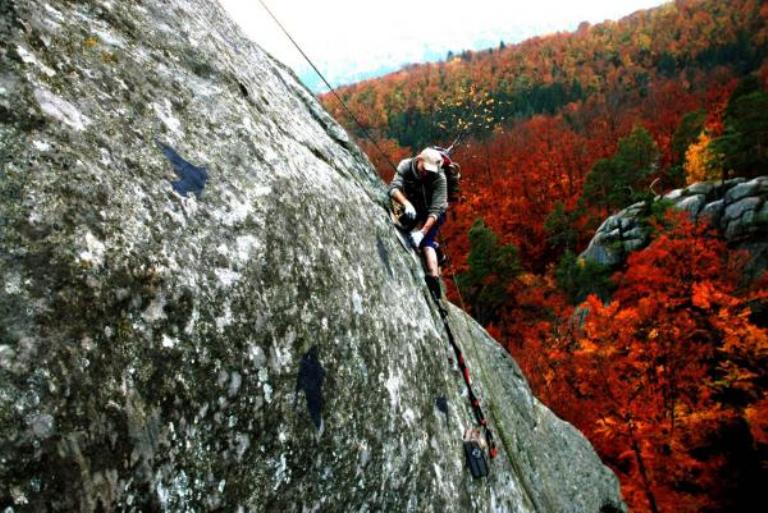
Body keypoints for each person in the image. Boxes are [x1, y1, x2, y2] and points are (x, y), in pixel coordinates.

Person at [388, 147, 448, 302]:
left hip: (434, 214)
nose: (426, 173)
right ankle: (435, 249)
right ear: (419, 159)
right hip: (414, 206)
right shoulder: (406, 165)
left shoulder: (439, 177)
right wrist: (406, 203)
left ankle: (433, 279)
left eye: (430, 171)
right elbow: (393, 188)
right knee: (404, 223)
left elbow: (437, 209)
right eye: (424, 168)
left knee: (426, 241)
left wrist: (422, 232)